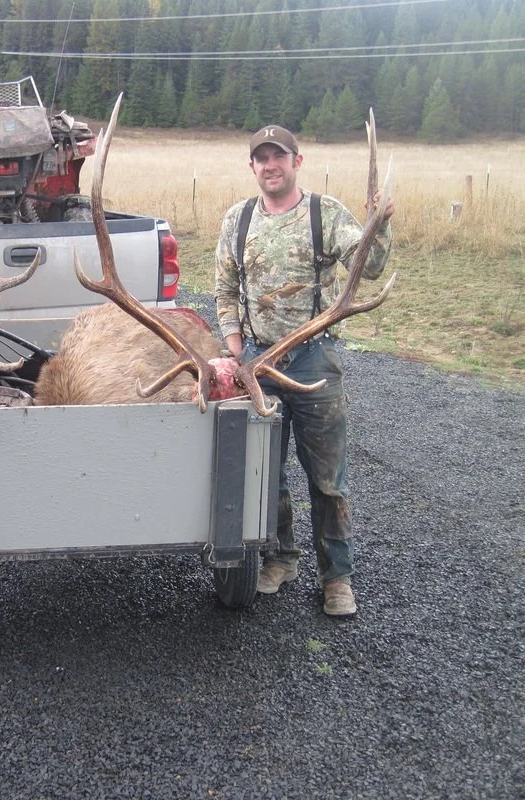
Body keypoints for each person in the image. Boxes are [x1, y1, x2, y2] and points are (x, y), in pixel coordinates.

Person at [214, 124, 394, 617]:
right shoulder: (239, 219)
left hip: (315, 359)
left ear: (298, 161)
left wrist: (381, 223)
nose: (271, 165)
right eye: (262, 158)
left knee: (328, 479)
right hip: (258, 363)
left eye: (280, 156)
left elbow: (371, 267)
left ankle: (337, 577)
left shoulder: (325, 213)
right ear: (252, 166)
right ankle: (281, 559)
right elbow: (225, 291)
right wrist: (236, 352)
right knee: (265, 475)